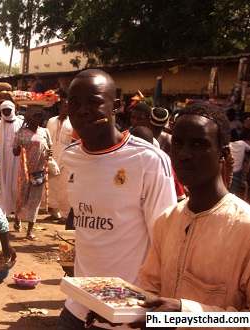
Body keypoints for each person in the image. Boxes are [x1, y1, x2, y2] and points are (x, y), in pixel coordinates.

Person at [58, 69, 177, 329]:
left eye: (94, 101)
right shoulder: (70, 156)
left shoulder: (149, 161)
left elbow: (166, 241)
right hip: (77, 306)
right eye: (74, 103)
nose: (83, 110)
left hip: (126, 315)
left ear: (117, 106)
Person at [137, 103, 250, 318]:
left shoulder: (245, 228)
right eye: (178, 143)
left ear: (223, 154)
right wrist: (119, 312)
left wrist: (186, 313)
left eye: (198, 144)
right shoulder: (167, 220)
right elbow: (150, 290)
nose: (184, 154)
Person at [13, 105, 52, 240]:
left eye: (40, 116)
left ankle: (29, 230)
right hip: (24, 171)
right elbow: (15, 152)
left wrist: (49, 154)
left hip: (39, 171)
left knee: (35, 200)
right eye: (36, 116)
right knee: (22, 197)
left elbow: (49, 148)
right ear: (29, 117)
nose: (39, 119)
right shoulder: (21, 133)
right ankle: (18, 218)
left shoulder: (44, 132)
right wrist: (18, 148)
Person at [46, 91, 73, 221]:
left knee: (64, 186)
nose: (65, 109)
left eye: (68, 107)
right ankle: (53, 211)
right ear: (59, 107)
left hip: (65, 158)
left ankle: (65, 214)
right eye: (63, 106)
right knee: (52, 185)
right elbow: (47, 139)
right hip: (52, 157)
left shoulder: (72, 123)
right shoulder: (51, 121)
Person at [0, 100, 24, 216]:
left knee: (15, 184)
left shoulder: (21, 123)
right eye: (4, 110)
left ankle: (17, 211)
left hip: (16, 158)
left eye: (8, 110)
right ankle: (4, 209)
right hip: (2, 159)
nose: (6, 112)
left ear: (13, 110)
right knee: (3, 182)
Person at [229, 131, 250, 198]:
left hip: (229, 169)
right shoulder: (242, 143)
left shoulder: (228, 145)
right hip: (238, 171)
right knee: (234, 188)